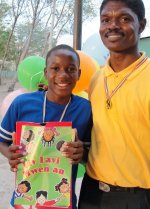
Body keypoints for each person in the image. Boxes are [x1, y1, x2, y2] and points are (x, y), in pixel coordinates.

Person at [0, 44, 92, 209]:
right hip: (26, 199)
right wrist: (10, 154)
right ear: (45, 73)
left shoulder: (85, 109)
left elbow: (90, 154)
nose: (63, 75)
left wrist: (81, 153)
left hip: (63, 200)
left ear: (78, 74)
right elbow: (2, 141)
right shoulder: (22, 104)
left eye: (70, 69)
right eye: (55, 68)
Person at [78, 0, 150, 209]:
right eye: (105, 20)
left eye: (125, 18)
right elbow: (96, 137)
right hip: (92, 193)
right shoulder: (96, 79)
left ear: (142, 25)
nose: (113, 25)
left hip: (138, 198)